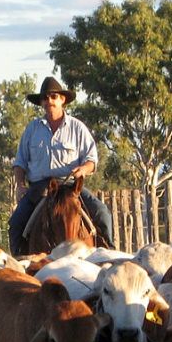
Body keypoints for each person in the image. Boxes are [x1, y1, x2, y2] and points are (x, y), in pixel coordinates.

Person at [8, 76, 113, 255]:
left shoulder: (77, 127)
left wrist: (83, 169)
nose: (49, 100)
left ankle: (109, 254)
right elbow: (20, 163)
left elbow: (92, 160)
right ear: (41, 102)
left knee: (102, 212)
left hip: (71, 186)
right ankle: (20, 263)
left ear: (62, 99)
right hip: (41, 188)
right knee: (15, 224)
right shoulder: (32, 129)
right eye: (45, 97)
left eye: (54, 96)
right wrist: (19, 186)